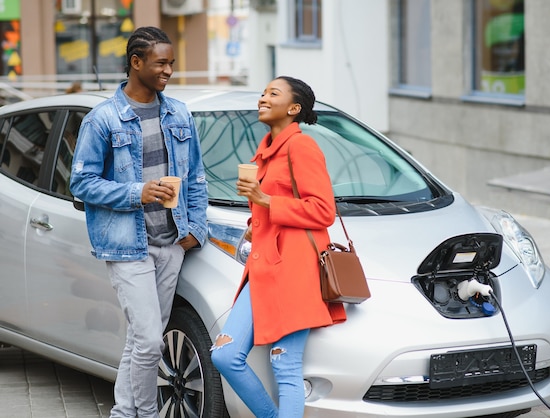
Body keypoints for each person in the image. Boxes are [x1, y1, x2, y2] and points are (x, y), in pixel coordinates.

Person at [69, 26, 208, 418]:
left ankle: (123, 413)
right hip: (128, 244)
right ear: (136, 62)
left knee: (139, 339)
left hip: (172, 243)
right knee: (149, 341)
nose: (168, 71)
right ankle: (146, 414)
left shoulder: (178, 112)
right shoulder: (104, 119)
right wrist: (137, 192)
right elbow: (81, 182)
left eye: (172, 64)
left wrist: (195, 229)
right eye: (161, 63)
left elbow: (196, 176)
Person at [210, 76, 346, 417]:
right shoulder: (265, 149)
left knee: (284, 364)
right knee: (225, 355)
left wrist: (264, 199)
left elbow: (323, 210)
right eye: (263, 93)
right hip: (263, 268)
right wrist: (254, 222)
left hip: (294, 270)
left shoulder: (301, 147)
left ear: (294, 108)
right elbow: (267, 210)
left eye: (273, 93)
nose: (263, 98)